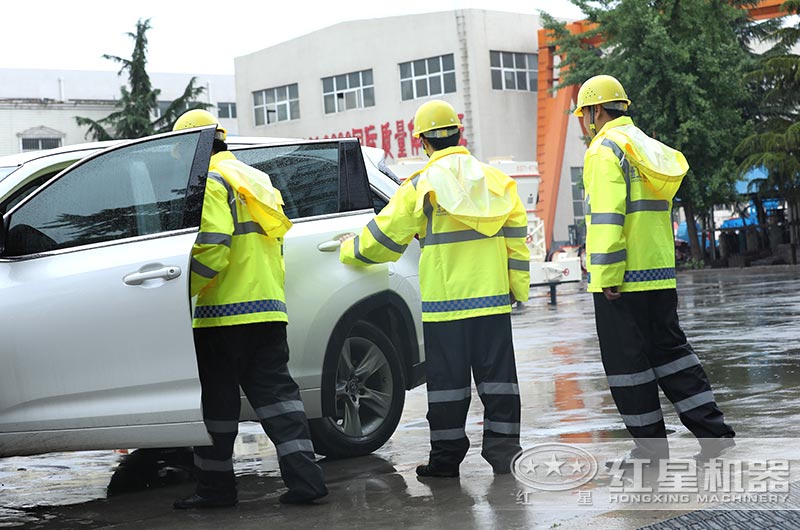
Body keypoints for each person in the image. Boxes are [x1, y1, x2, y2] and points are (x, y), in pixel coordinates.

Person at [339, 100, 531, 477]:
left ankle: (446, 460)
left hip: (446, 307)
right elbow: (517, 240)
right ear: (459, 133)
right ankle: (505, 454)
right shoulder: (496, 181)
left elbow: (384, 239)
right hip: (491, 302)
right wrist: (515, 288)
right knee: (500, 383)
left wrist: (348, 248)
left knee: (447, 387)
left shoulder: (420, 185)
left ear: (424, 141)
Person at [574, 75, 735, 466]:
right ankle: (714, 435)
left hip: (622, 280)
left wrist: (608, 274)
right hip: (658, 274)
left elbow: (610, 217)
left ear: (596, 112)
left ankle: (650, 451)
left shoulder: (603, 150)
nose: (583, 122)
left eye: (584, 114)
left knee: (628, 368)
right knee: (673, 355)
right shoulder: (646, 147)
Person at [171, 109, 327, 509]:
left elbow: (215, 243)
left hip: (221, 313)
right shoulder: (255, 178)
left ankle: (216, 491)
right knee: (280, 400)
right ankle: (308, 482)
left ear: (192, 146)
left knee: (218, 405)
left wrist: (182, 291)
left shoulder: (209, 181)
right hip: (268, 310)